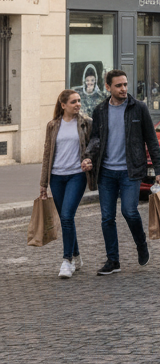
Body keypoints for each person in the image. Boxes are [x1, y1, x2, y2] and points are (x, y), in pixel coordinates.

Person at [84, 70, 160, 275]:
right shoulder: (100, 110)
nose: (123, 89)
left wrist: (159, 169)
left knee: (129, 211)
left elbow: (152, 140)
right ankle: (113, 260)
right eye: (118, 85)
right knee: (107, 218)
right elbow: (95, 139)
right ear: (108, 87)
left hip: (131, 170)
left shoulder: (139, 108)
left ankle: (141, 244)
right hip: (106, 172)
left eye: (125, 85)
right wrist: (88, 156)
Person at [39, 89, 95, 279]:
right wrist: (43, 184)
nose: (77, 104)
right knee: (66, 219)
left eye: (79, 101)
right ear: (63, 105)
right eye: (73, 102)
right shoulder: (53, 125)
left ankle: (67, 261)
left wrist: (89, 160)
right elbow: (47, 154)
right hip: (56, 177)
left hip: (76, 176)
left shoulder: (86, 123)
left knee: (66, 215)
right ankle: (77, 256)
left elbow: (93, 146)